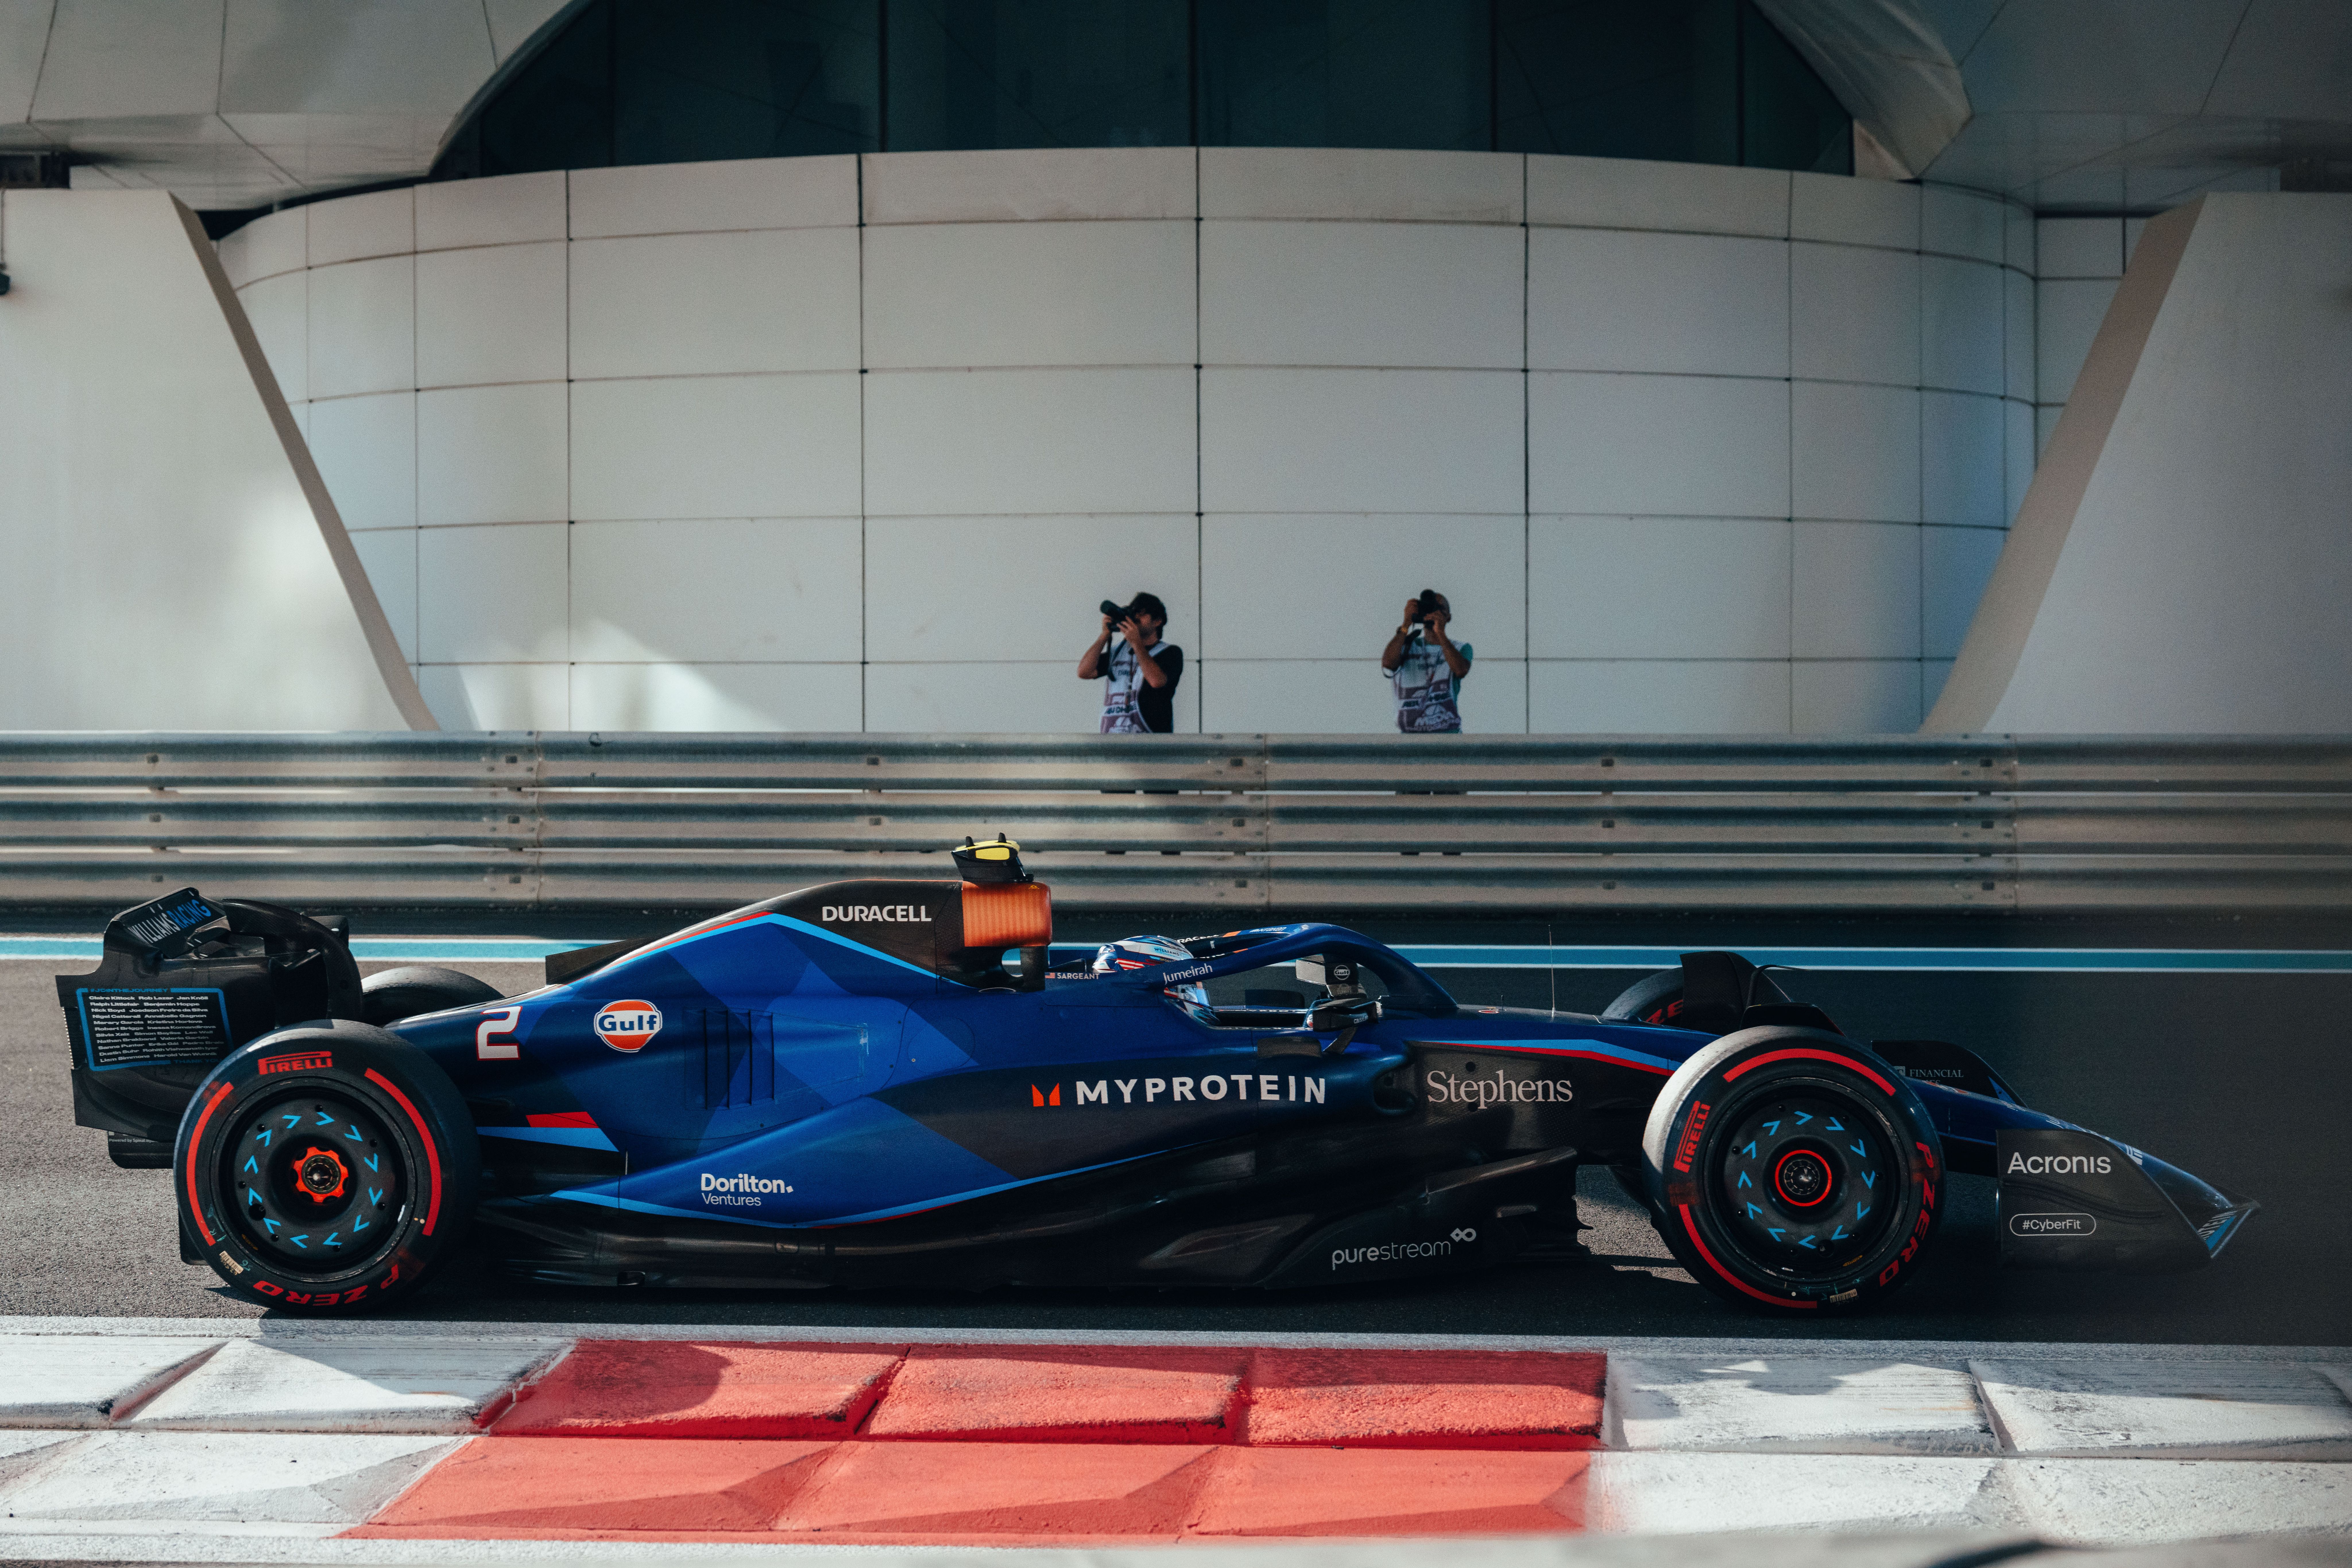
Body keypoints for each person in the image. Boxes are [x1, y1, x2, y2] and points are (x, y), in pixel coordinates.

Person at [1079, 592, 1183, 734]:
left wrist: (1136, 643)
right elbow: (1084, 672)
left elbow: (1156, 681)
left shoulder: (1170, 652)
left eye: (1142, 614)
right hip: (1114, 739)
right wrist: (1105, 635)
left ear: (1158, 621)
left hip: (1152, 743)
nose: (1137, 618)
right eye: (1134, 613)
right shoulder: (1118, 652)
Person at [1381, 589, 1472, 733]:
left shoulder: (1460, 648)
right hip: (1410, 738)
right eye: (1429, 608)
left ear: (1448, 617)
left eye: (1439, 609)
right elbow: (1388, 664)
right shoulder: (1408, 645)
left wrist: (1440, 633)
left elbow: (1461, 670)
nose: (1433, 612)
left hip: (1448, 737)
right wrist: (1406, 625)